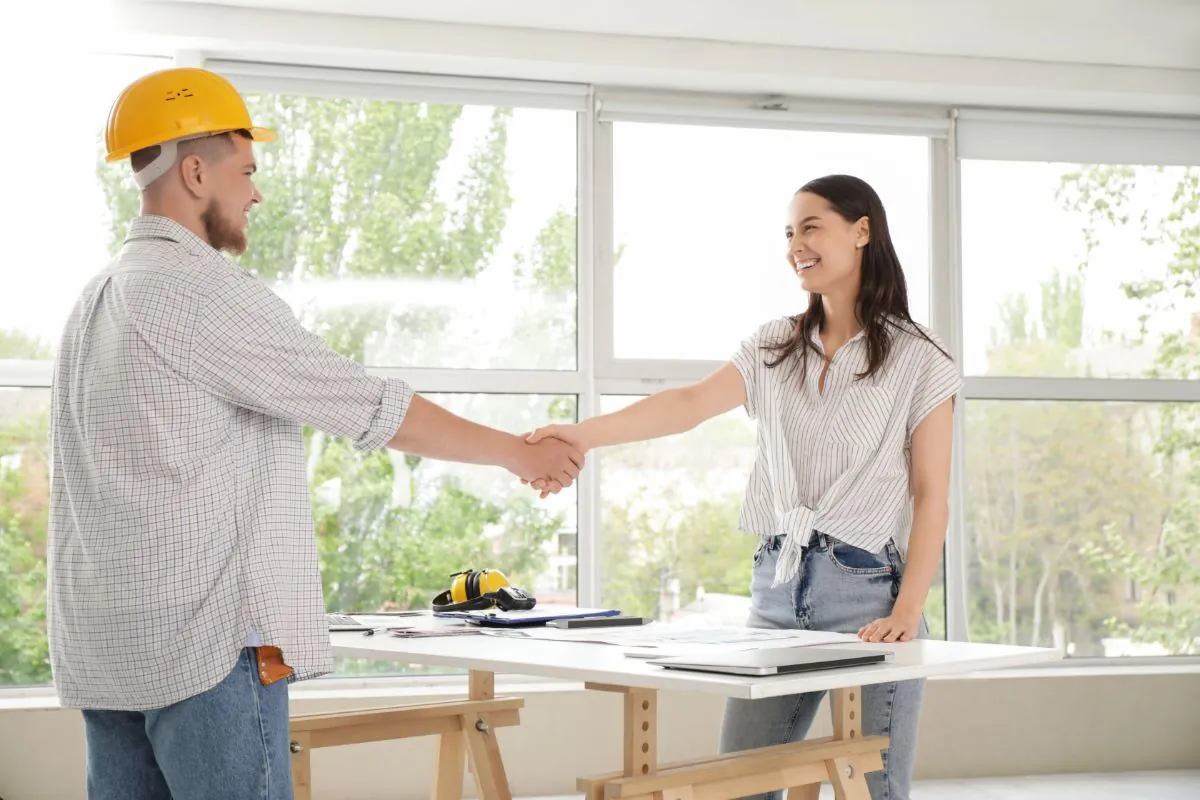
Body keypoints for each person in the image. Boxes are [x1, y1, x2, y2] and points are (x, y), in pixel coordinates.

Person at [47, 66, 583, 800]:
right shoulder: (200, 292)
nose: (256, 192)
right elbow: (366, 405)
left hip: (109, 652)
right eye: (247, 169)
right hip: (207, 654)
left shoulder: (94, 300)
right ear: (197, 172)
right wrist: (518, 453)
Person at [526, 174, 961, 800]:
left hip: (869, 596)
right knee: (742, 785)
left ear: (862, 231)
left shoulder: (921, 357)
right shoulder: (774, 345)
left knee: (874, 790)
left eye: (811, 227)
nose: (795, 246)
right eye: (789, 233)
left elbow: (931, 494)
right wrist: (583, 435)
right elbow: (689, 403)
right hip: (777, 586)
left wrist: (907, 611)